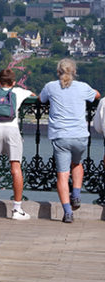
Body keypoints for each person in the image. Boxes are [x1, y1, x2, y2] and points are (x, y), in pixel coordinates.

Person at [39, 57, 100, 223]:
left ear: (58, 72)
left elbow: (41, 99)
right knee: (77, 164)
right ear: (74, 72)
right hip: (80, 135)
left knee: (62, 175)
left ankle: (67, 212)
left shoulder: (50, 87)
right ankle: (77, 194)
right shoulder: (83, 87)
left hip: (60, 136)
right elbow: (97, 95)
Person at [0, 68, 33, 220]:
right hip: (12, 130)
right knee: (15, 168)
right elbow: (35, 96)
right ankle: (17, 209)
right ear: (13, 82)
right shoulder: (19, 92)